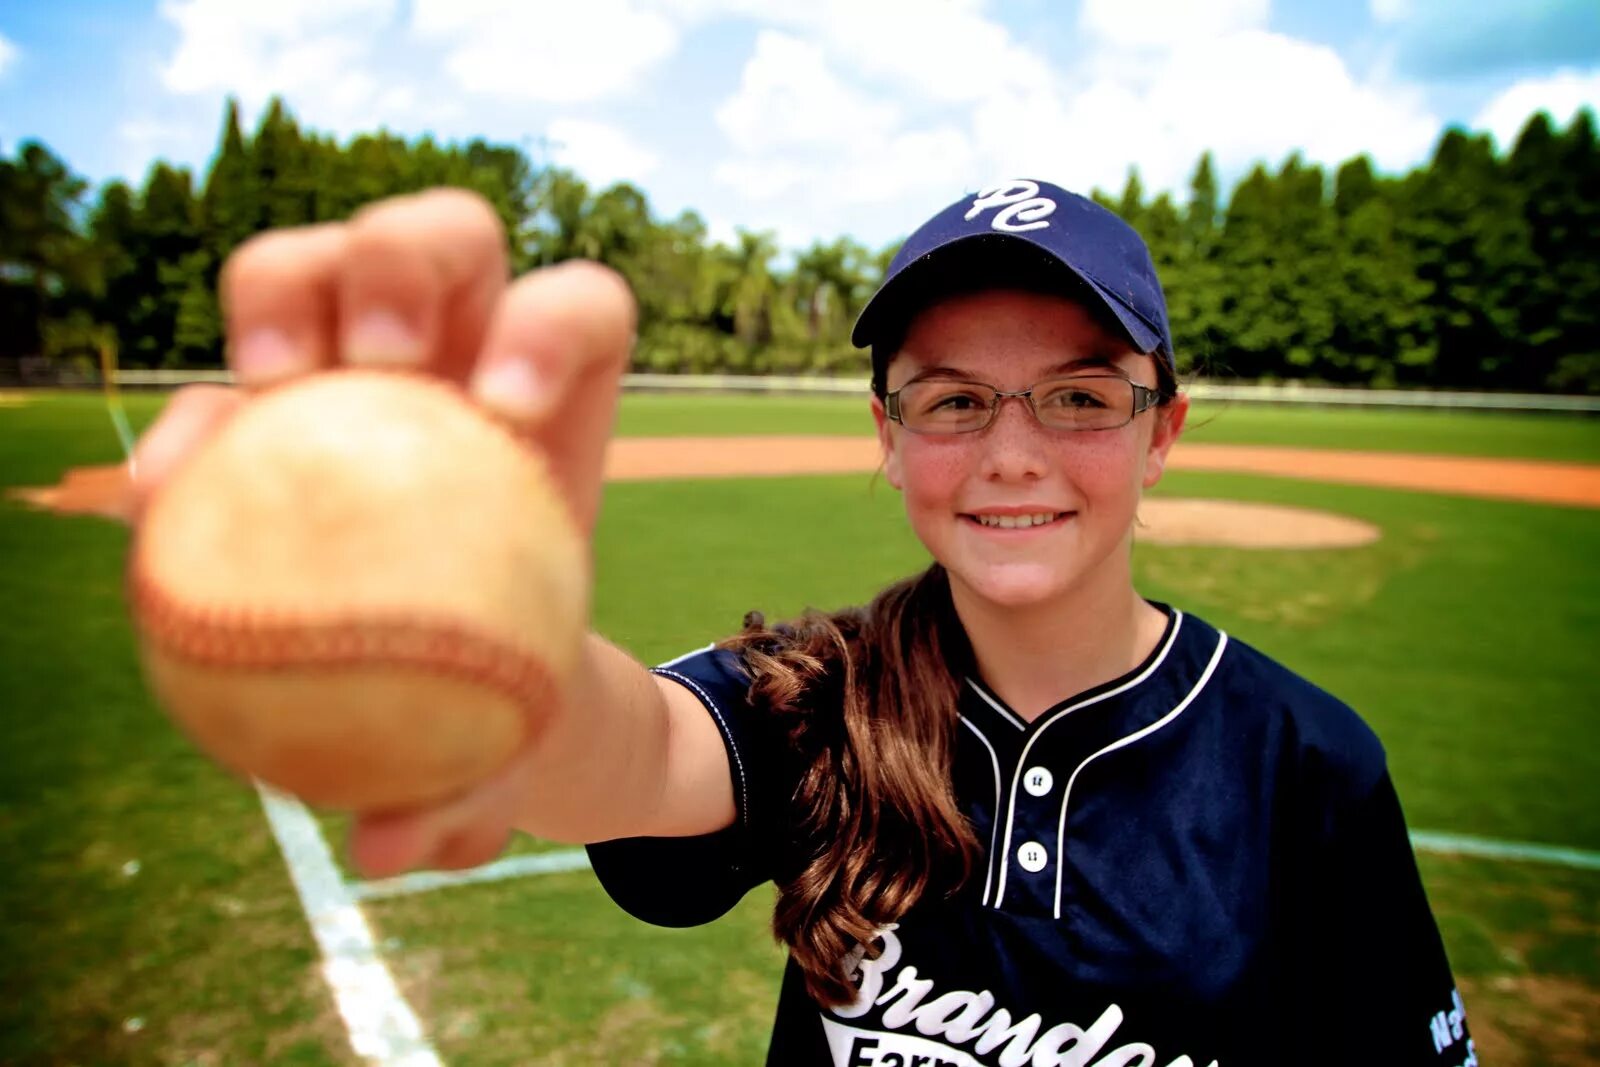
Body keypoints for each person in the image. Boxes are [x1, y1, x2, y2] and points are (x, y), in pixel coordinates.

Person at [131, 180, 1474, 1067]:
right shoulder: (828, 695)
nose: (1012, 454)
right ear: (887, 437)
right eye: (951, 401)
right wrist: (506, 661)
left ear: (1161, 433)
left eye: (1077, 397)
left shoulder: (1308, 763)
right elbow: (634, 747)